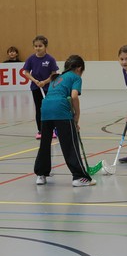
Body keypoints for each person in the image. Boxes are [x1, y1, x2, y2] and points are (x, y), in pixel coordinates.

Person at [34, 55, 96, 187]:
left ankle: (41, 175)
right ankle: (79, 177)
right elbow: (74, 96)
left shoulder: (56, 77)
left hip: (45, 110)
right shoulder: (76, 77)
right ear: (79, 68)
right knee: (70, 144)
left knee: (45, 144)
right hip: (61, 111)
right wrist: (77, 116)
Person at [22, 35, 59, 139]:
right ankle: (40, 130)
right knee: (39, 108)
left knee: (50, 108)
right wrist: (35, 81)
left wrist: (45, 82)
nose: (38, 48)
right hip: (36, 87)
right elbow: (26, 72)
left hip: (48, 87)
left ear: (45, 46)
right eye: (36, 46)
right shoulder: (31, 59)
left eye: (40, 46)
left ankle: (53, 129)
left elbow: (54, 74)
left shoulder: (50, 59)